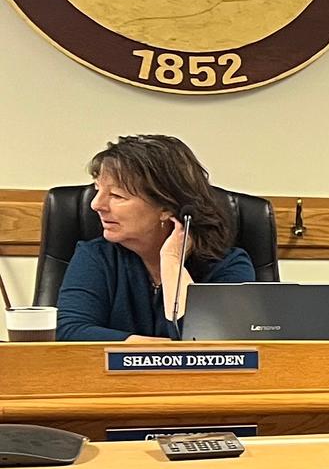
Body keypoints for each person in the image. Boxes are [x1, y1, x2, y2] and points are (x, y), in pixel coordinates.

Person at [55, 134, 256, 342]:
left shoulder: (227, 266)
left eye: (116, 195)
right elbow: (70, 331)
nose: (96, 205)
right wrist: (161, 350)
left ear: (166, 207)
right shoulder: (96, 256)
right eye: (97, 190)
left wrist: (172, 261)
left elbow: (219, 344)